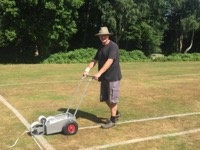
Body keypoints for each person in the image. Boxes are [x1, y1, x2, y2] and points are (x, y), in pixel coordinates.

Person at [83, 26, 122, 129]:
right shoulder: (101, 47)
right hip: (104, 77)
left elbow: (110, 61)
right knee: (105, 98)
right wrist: (87, 69)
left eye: (104, 35)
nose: (103, 37)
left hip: (113, 77)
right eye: (101, 36)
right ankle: (116, 113)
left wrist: (99, 73)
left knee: (113, 99)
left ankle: (113, 121)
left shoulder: (113, 46)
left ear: (108, 36)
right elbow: (95, 60)